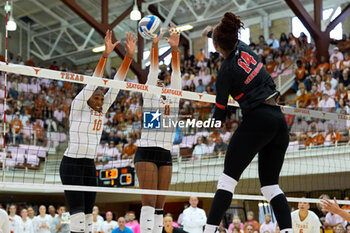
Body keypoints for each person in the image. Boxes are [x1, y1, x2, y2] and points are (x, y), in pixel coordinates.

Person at [202, 12, 292, 233]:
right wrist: (210, 33)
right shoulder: (244, 47)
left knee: (227, 181)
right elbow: (224, 37)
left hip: (258, 120)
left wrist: (209, 128)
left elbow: (220, 113)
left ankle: (209, 230)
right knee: (271, 186)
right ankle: (289, 231)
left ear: (216, 46)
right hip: (278, 121)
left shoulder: (225, 73)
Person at [59, 30, 136, 233]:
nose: (101, 101)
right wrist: (105, 55)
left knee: (88, 218)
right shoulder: (78, 107)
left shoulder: (102, 111)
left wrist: (128, 56)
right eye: (97, 98)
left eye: (102, 99)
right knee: (77, 219)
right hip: (71, 165)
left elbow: (117, 85)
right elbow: (94, 81)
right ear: (88, 98)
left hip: (88, 166)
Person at [134, 25, 181, 233]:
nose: (161, 83)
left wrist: (175, 49)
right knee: (149, 203)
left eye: (164, 82)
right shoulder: (150, 97)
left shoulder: (174, 99)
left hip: (165, 152)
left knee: (160, 206)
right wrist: (154, 45)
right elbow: (153, 72)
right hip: (147, 150)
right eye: (158, 82)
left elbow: (177, 73)